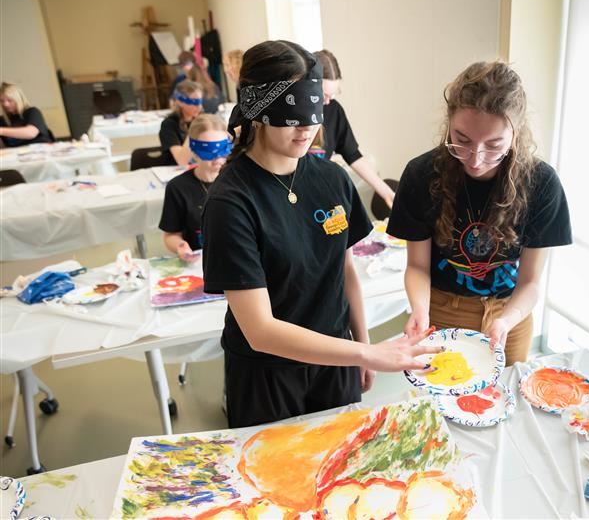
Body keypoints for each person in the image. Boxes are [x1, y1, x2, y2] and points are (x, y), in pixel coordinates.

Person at [202, 40, 440, 428]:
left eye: (314, 111)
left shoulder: (332, 179)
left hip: (336, 363)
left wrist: (360, 344)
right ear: (257, 110)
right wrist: (365, 354)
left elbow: (343, 270)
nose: (308, 128)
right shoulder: (231, 202)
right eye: (291, 115)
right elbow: (260, 330)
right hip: (269, 376)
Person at [388, 61, 572, 365]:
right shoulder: (422, 175)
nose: (475, 159)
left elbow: (530, 282)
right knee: (438, 404)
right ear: (449, 124)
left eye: (494, 145)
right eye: (462, 141)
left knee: (506, 402)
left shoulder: (541, 183)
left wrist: (505, 321)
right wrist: (420, 312)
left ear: (516, 134)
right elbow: (418, 267)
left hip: (509, 315)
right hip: (442, 311)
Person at [311, 50, 396, 210]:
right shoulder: (297, 114)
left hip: (319, 195)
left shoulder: (333, 110)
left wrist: (385, 191)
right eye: (323, 95)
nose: (327, 102)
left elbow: (352, 154)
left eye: (333, 95)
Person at [159, 114, 230, 260]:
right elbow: (171, 234)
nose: (218, 157)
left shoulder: (239, 181)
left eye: (222, 148)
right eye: (209, 150)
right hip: (201, 262)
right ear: (194, 149)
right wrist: (180, 246)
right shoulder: (178, 188)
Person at [159, 80, 203, 167]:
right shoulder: (169, 125)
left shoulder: (202, 118)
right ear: (180, 102)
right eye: (194, 102)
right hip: (175, 171)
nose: (199, 107)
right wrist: (195, 129)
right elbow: (182, 161)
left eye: (200, 101)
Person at [0, 82, 54, 147]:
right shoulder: (2, 120)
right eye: (2, 101)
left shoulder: (32, 112)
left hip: (41, 150)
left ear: (18, 99)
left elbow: (31, 133)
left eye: (9, 100)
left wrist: (2, 130)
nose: (5, 104)